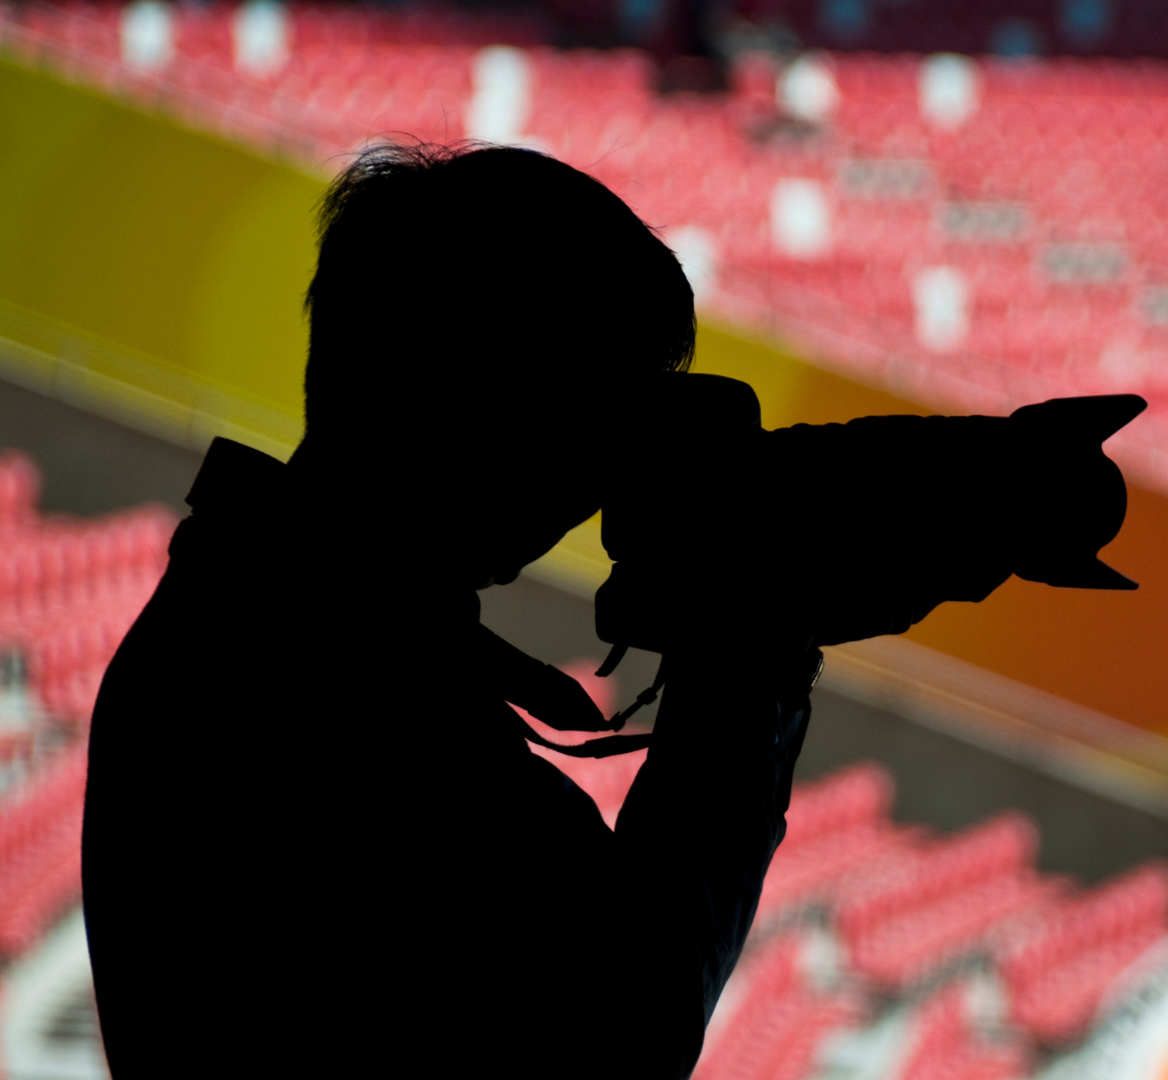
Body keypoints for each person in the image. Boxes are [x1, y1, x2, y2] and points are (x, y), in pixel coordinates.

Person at [82, 144, 818, 1076]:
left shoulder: (255, 615)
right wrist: (749, 652)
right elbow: (631, 1023)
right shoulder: (341, 690)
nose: (599, 473)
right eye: (592, 412)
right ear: (480, 394)